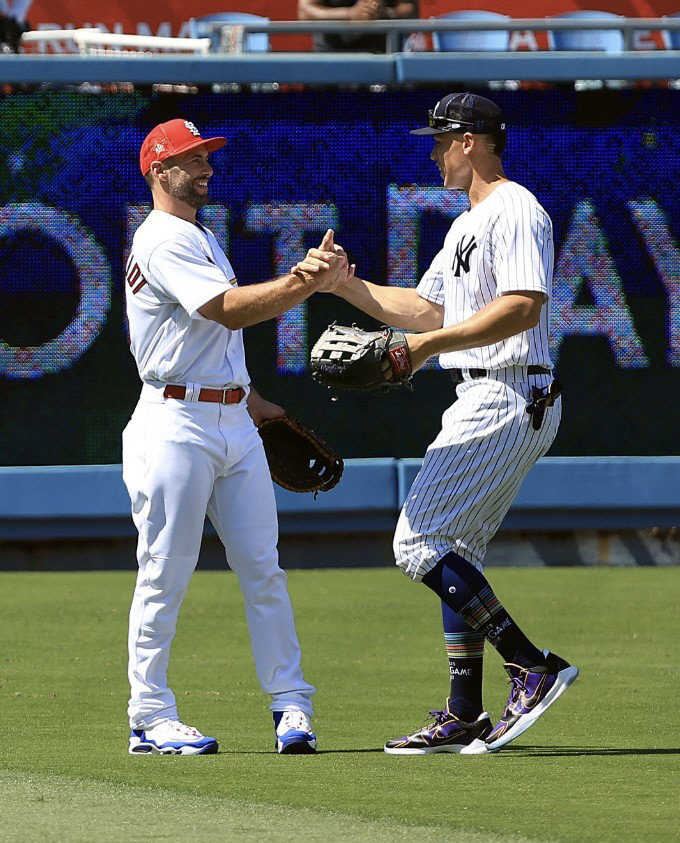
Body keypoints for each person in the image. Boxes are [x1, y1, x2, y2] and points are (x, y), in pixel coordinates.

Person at [295, 92, 578, 754]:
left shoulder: (514, 209)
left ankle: (531, 665)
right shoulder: (466, 223)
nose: (433, 152)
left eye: (440, 140)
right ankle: (464, 712)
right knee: (453, 547)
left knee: (416, 541)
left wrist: (422, 350)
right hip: (492, 392)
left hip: (509, 391)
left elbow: (523, 308)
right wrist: (344, 286)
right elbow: (425, 309)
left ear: (471, 142)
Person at [123, 118, 350, 755]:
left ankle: (291, 705)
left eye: (206, 157)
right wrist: (304, 281)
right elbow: (229, 309)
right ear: (157, 171)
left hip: (230, 417)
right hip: (174, 424)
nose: (205, 168)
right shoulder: (162, 238)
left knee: (262, 569)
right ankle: (149, 714)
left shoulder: (199, 236)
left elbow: (209, 340)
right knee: (165, 570)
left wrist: (255, 403)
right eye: (190, 159)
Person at [298, 0, 419, 53]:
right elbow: (305, 11)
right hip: (330, 59)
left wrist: (383, 12)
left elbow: (411, 9)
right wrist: (350, 13)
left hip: (379, 60)